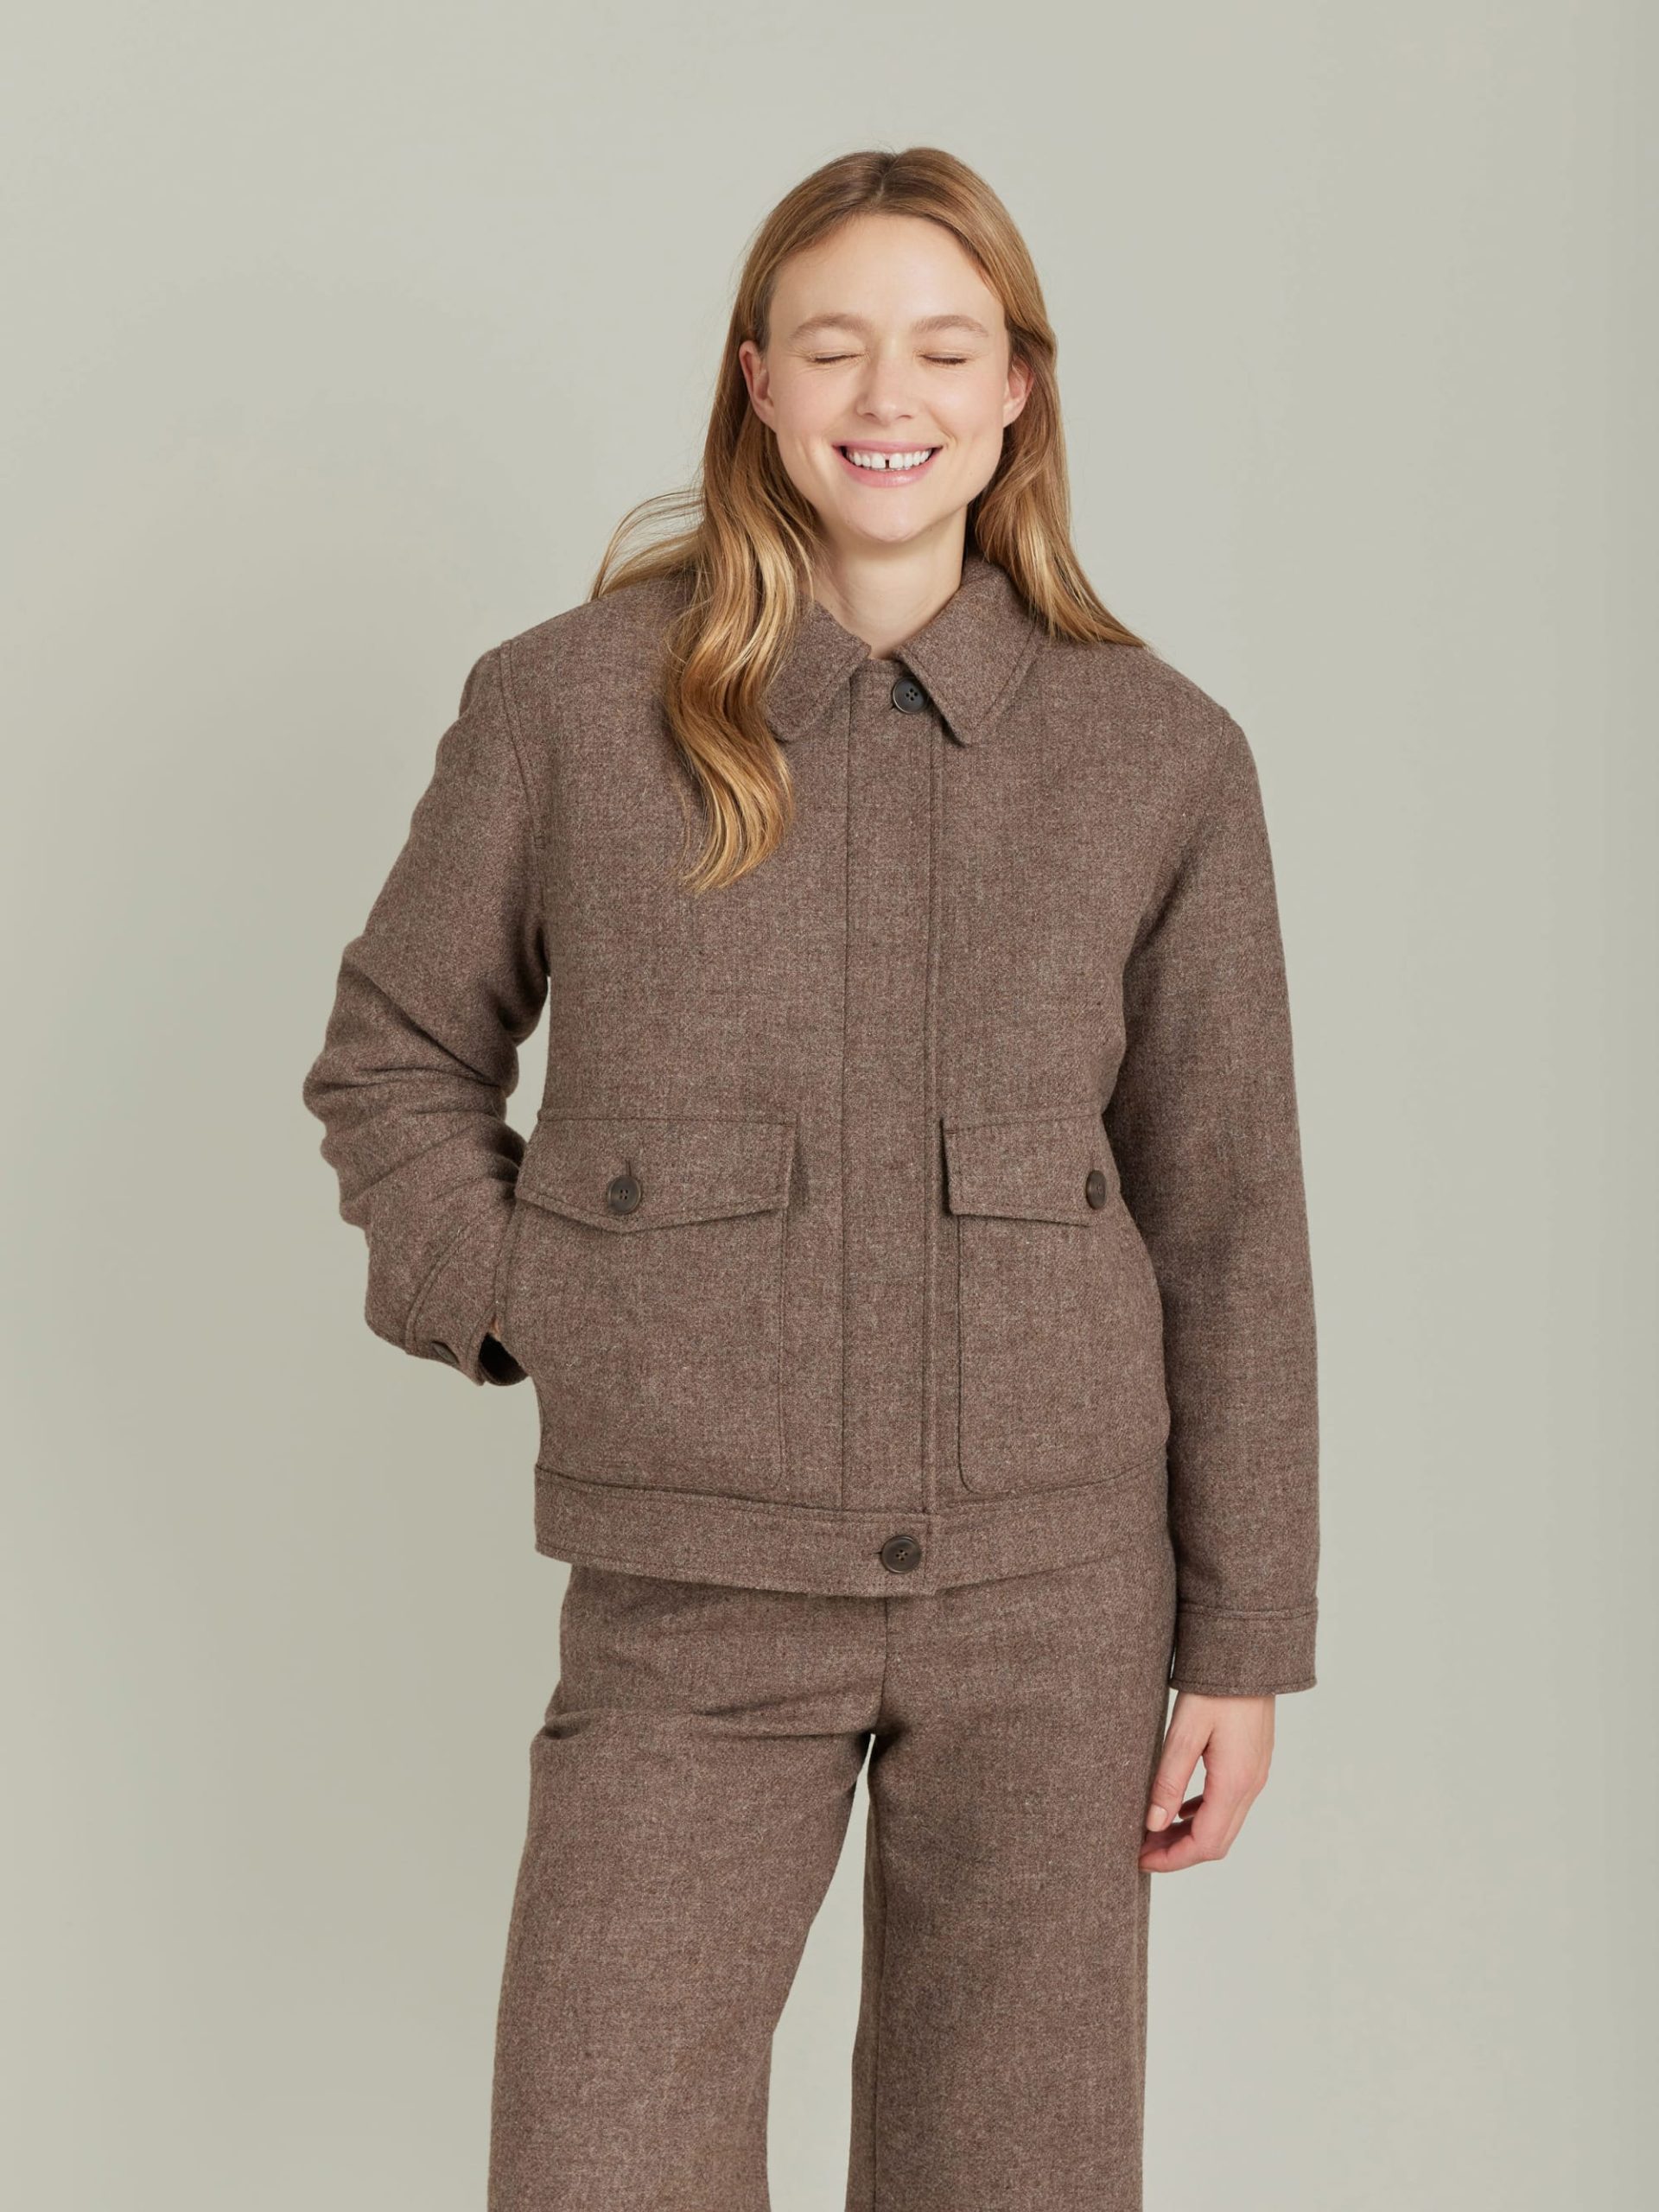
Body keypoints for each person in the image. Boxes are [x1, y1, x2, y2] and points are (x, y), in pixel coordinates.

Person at [301, 144, 1319, 2212]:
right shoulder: (566, 708)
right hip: (692, 1586)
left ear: (1017, 386)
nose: (890, 394)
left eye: (944, 346)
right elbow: (394, 1059)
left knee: (1012, 2178)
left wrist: (1243, 1637)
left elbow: (1228, 1219)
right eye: (835, 344)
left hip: (1053, 1601)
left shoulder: (1161, 754)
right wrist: (539, 1301)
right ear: (756, 381)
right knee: (599, 2159)